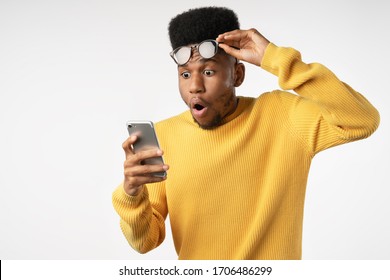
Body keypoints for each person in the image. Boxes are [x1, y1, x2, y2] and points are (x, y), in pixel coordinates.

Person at [112, 7, 380, 260]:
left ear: (237, 75)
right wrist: (132, 194)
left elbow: (361, 120)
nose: (194, 86)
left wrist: (274, 58)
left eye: (208, 71)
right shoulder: (165, 136)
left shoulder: (282, 115)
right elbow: (145, 242)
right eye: (184, 74)